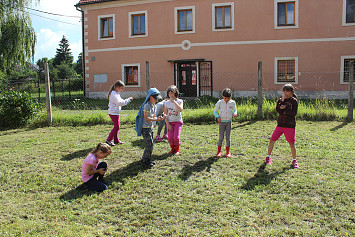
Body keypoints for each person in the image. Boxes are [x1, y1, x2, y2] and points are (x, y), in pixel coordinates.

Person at [266, 84, 299, 168]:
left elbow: (294, 113)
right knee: (272, 140)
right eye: (284, 91)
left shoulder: (294, 101)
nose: (285, 93)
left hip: (290, 126)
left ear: (291, 92)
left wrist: (286, 107)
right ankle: (268, 157)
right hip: (280, 125)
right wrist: (281, 103)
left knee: (291, 143)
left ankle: (294, 160)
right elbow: (278, 111)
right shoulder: (280, 100)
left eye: (287, 91)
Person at [135, 88, 166, 167]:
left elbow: (154, 116)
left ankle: (148, 159)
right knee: (149, 144)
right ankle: (144, 160)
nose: (157, 100)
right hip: (145, 128)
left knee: (152, 144)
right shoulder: (146, 106)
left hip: (150, 127)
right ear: (151, 97)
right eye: (155, 98)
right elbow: (146, 118)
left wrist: (160, 117)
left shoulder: (154, 106)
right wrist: (156, 119)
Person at [106, 80, 133, 146]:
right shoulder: (114, 94)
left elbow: (121, 101)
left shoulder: (116, 93)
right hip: (113, 113)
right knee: (117, 127)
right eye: (121, 88)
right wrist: (128, 100)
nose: (121, 90)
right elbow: (120, 103)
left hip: (115, 112)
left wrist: (126, 100)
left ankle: (116, 140)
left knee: (116, 127)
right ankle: (108, 140)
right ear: (117, 87)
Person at [213, 88, 237, 158]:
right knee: (221, 137)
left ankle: (228, 152)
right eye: (225, 98)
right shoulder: (219, 103)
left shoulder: (232, 103)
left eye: (228, 98)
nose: (226, 100)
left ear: (230, 97)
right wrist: (218, 117)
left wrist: (235, 113)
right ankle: (219, 151)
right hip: (222, 122)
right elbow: (215, 111)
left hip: (229, 121)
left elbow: (234, 110)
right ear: (223, 96)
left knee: (228, 137)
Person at [164, 85, 183, 155]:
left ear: (175, 93)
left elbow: (180, 110)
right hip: (170, 122)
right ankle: (172, 149)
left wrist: (174, 102)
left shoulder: (180, 101)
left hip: (178, 122)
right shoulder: (166, 103)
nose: (170, 95)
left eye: (172, 93)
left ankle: (177, 149)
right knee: (170, 137)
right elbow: (165, 114)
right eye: (169, 93)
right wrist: (167, 124)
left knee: (176, 137)